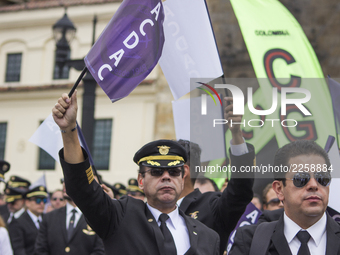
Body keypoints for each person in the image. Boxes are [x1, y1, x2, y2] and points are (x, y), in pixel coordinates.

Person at [52, 91, 220, 254]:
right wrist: (69, 130)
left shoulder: (208, 237)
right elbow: (83, 189)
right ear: (141, 180)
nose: (167, 177)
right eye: (156, 172)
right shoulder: (120, 217)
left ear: (183, 179)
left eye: (174, 172)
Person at [229, 140, 340, 255]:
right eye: (301, 178)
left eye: (322, 178)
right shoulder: (250, 240)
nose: (313, 185)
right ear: (279, 189)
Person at [177, 97, 255, 255]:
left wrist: (236, 134)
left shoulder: (211, 207)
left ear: (185, 171)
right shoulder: (148, 211)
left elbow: (240, 190)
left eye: (169, 168)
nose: (162, 176)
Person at [35, 180, 105, 255]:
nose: (65, 184)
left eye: (71, 180)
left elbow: (100, 250)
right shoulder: (49, 217)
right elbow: (40, 249)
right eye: (63, 181)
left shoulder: (95, 217)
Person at [9, 185, 48, 255]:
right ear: (27, 203)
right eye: (38, 200)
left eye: (44, 200)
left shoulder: (48, 220)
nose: (42, 204)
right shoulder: (18, 222)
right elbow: (19, 249)